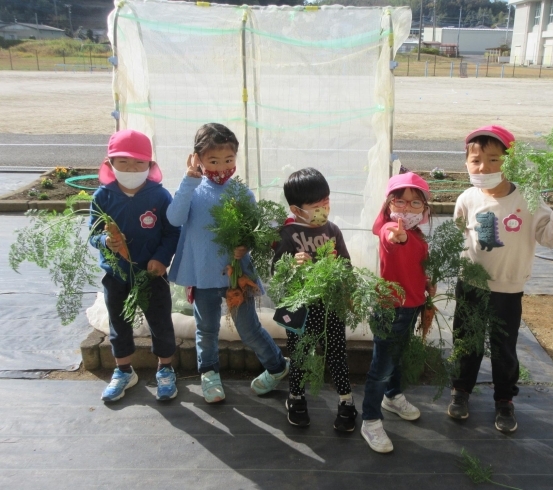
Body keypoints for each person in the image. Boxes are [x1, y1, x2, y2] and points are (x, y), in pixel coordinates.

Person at [447, 125, 553, 433]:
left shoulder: (528, 199)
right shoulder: (467, 198)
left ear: (510, 161)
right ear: (466, 162)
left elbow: (549, 238)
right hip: (471, 285)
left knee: (503, 346)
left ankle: (504, 400)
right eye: (476, 160)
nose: (485, 167)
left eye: (494, 160)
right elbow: (457, 237)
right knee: (467, 342)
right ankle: (460, 390)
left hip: (508, 288)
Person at [166, 123, 288, 403]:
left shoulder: (241, 193)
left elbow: (255, 229)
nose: (222, 166)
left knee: (249, 329)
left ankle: (278, 367)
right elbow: (174, 218)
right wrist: (189, 179)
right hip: (203, 275)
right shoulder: (193, 190)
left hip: (238, 276)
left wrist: (247, 243)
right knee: (206, 329)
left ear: (236, 158)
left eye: (228, 160)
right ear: (197, 159)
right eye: (213, 160)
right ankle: (209, 374)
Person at [89, 129, 181, 403]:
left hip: (151, 274)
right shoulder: (103, 197)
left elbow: (172, 233)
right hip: (116, 274)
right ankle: (123, 371)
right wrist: (106, 240)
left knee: (160, 321)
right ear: (110, 164)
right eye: (123, 162)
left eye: (139, 163)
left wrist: (162, 258)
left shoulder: (160, 196)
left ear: (150, 166)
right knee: (119, 321)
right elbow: (93, 234)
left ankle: (165, 368)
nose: (131, 168)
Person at [271, 167, 358, 432]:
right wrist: (291, 263)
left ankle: (346, 402)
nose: (323, 208)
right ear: (297, 210)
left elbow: (346, 266)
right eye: (316, 205)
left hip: (330, 307)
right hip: (300, 309)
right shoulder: (287, 234)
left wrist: (340, 271)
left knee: (336, 355)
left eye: (326, 201)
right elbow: (276, 273)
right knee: (299, 355)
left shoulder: (333, 230)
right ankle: (296, 398)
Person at [361, 171, 435, 453]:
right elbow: (394, 242)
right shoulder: (390, 231)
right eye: (400, 201)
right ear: (389, 205)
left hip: (411, 306)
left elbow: (414, 264)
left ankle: (391, 396)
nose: (407, 209)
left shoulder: (416, 235)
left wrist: (427, 282)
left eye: (415, 203)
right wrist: (398, 236)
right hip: (391, 309)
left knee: (397, 356)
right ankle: (369, 419)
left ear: (424, 210)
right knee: (381, 367)